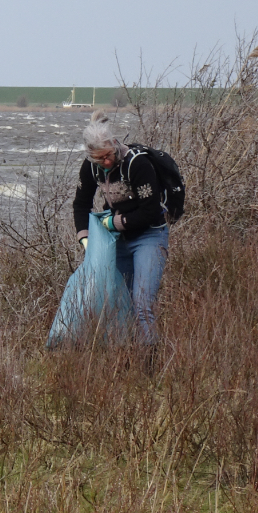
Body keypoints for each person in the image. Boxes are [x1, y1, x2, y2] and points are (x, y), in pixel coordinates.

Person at [72, 112, 169, 346]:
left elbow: (150, 212)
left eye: (108, 156)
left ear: (114, 144)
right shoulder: (91, 167)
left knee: (142, 303)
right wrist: (85, 239)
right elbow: (81, 204)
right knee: (120, 302)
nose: (105, 162)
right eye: (98, 159)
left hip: (150, 235)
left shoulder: (137, 164)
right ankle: (126, 357)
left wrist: (112, 223)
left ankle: (151, 363)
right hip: (118, 241)